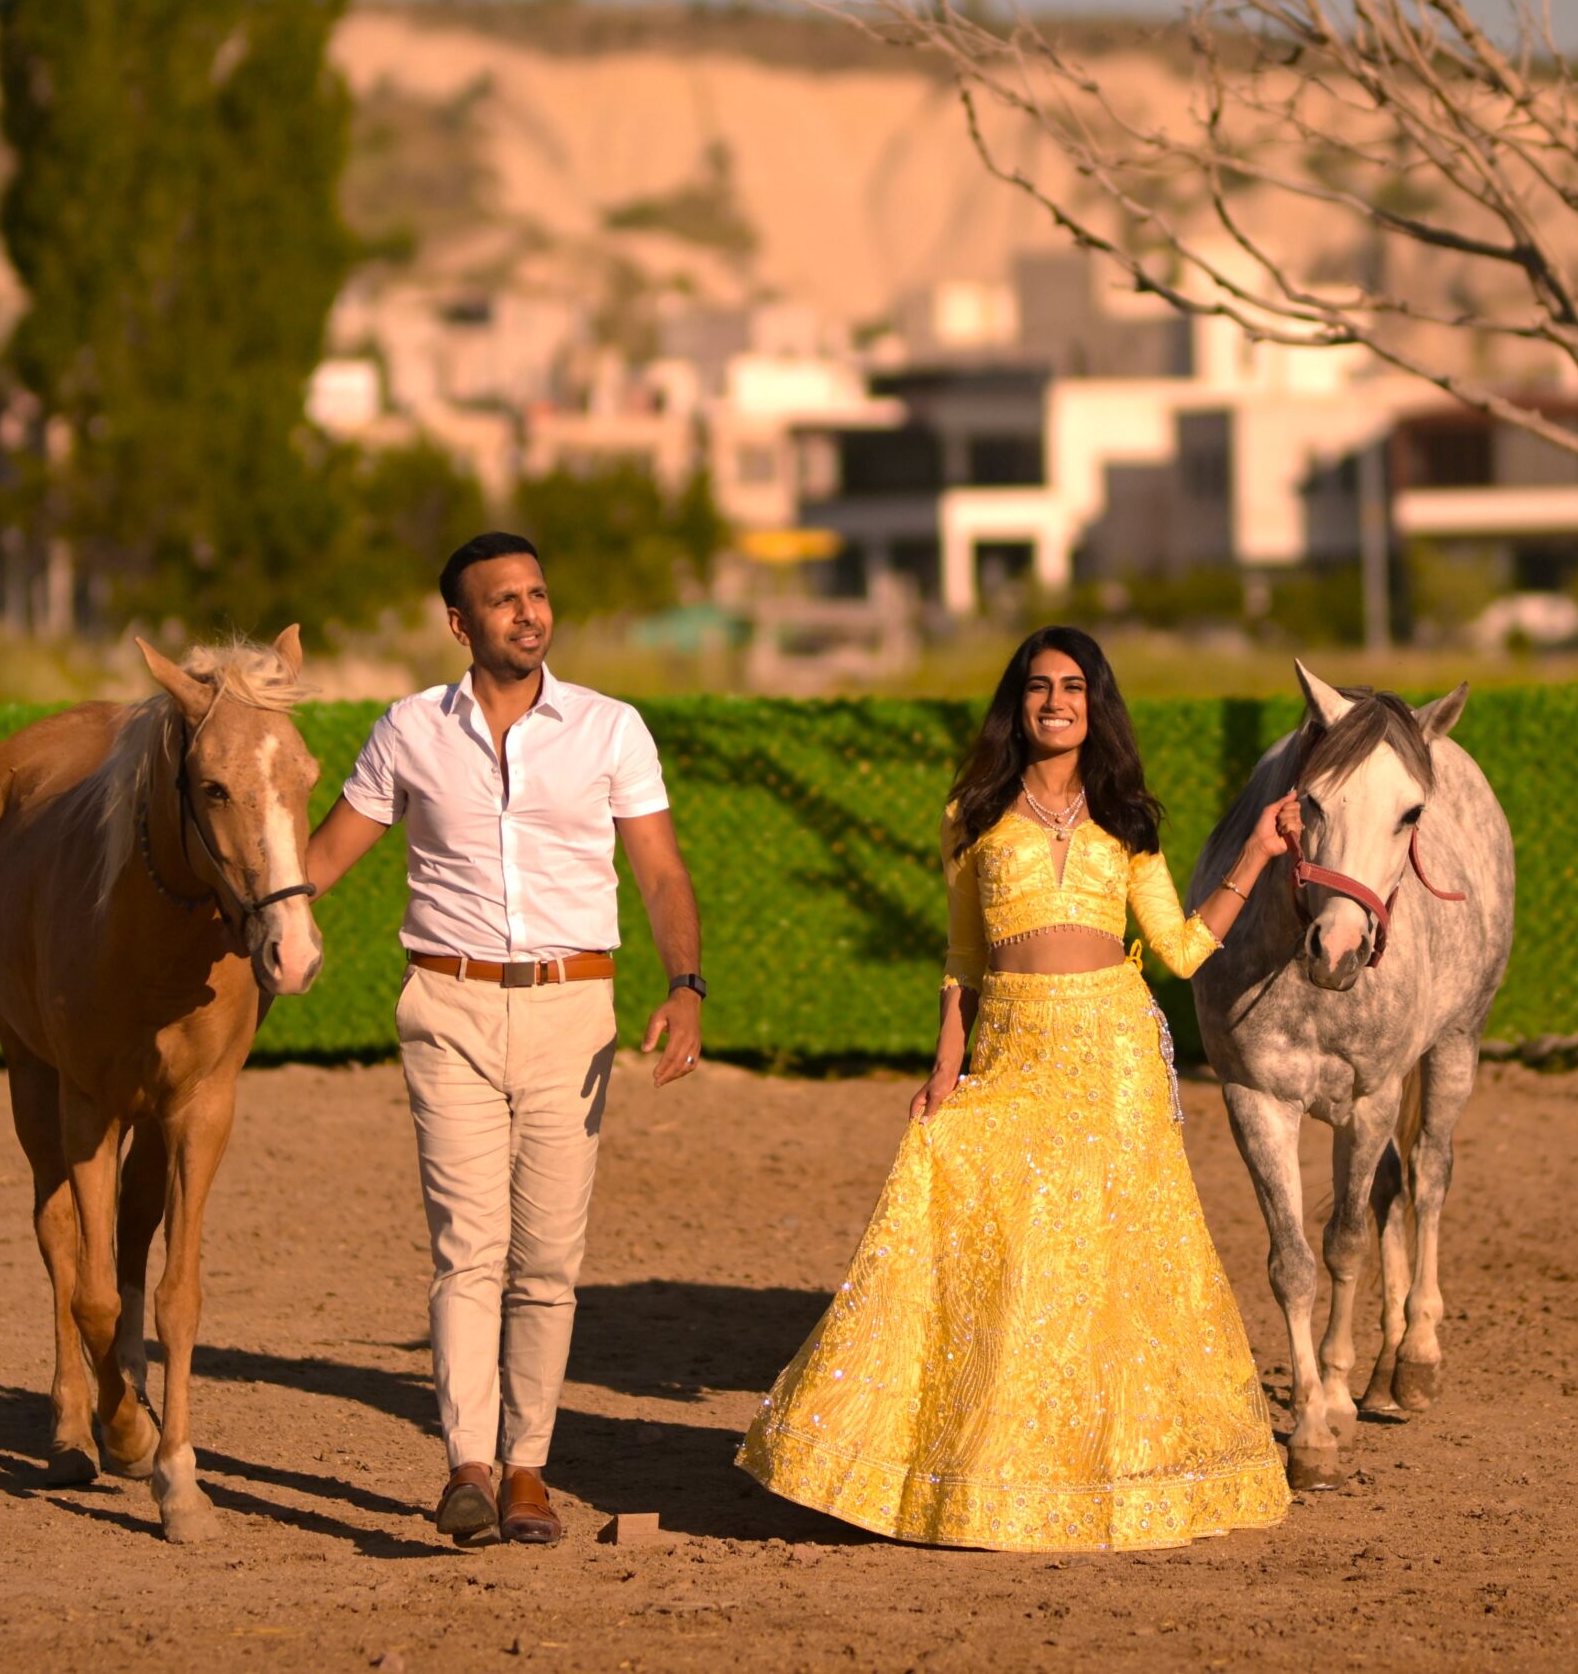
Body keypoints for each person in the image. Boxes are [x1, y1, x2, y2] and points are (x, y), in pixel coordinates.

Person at [736, 624, 1295, 1553]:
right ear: (1018, 700)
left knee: (1109, 1272)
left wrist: (1259, 855)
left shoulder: (1129, 818)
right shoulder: (971, 811)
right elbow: (961, 955)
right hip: (1017, 1049)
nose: (1056, 702)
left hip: (1112, 1051)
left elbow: (1183, 948)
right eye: (1040, 686)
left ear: (1096, 703)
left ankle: (1114, 1481)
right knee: (994, 1244)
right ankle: (974, 1478)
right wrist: (945, 1063)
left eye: (1074, 687)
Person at [306, 531, 705, 1548]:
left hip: (575, 1011)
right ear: (458, 623)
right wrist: (238, 927)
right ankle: (468, 1471)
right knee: (467, 1251)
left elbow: (657, 871)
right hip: (448, 1009)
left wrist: (686, 984)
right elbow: (320, 862)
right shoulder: (405, 733)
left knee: (550, 1260)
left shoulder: (611, 729)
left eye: (537, 594)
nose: (528, 613)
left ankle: (530, 1469)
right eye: (503, 601)